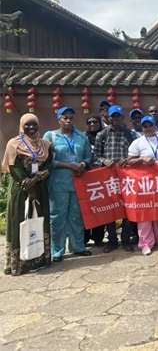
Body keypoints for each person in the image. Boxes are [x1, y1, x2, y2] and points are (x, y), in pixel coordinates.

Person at [2, 114, 52, 275]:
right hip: (20, 190)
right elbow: (14, 168)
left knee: (40, 221)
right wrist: (28, 187)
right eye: (27, 125)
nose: (31, 128)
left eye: (34, 124)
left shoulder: (45, 145)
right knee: (20, 221)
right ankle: (19, 264)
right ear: (22, 126)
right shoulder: (14, 144)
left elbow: (49, 166)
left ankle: (41, 259)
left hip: (40, 189)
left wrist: (35, 180)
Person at [43, 107, 93, 262]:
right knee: (57, 217)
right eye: (65, 118)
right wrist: (70, 166)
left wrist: (82, 165)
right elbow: (46, 160)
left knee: (77, 216)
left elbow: (88, 156)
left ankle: (77, 247)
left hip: (78, 181)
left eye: (71, 117)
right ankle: (56, 251)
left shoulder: (81, 137)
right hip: (58, 183)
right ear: (59, 119)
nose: (68, 121)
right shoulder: (50, 136)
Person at [93, 105, 137, 253]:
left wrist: (128, 160)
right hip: (109, 178)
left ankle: (125, 239)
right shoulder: (102, 135)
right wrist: (103, 161)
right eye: (113, 116)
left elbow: (136, 154)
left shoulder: (130, 134)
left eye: (118, 116)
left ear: (123, 117)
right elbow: (95, 156)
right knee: (110, 208)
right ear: (108, 118)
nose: (115, 119)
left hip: (127, 178)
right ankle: (112, 240)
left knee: (127, 208)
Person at [127, 116, 158, 255]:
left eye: (150, 125)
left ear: (155, 126)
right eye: (145, 126)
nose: (148, 128)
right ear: (142, 128)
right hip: (144, 183)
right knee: (145, 213)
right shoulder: (137, 142)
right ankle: (145, 243)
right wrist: (142, 159)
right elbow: (129, 160)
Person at [83, 113, 106, 247]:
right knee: (85, 208)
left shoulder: (104, 136)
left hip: (100, 177)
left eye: (95, 122)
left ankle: (98, 237)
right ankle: (84, 238)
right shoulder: (82, 138)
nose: (92, 125)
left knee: (100, 208)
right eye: (89, 122)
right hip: (85, 177)